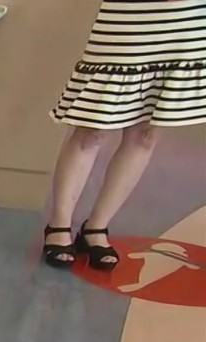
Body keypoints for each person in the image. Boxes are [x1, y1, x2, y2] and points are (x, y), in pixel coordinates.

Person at [42, 0, 206, 271]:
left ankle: (97, 227)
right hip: (127, 18)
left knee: (145, 134)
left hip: (186, 22)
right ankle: (59, 224)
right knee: (92, 128)